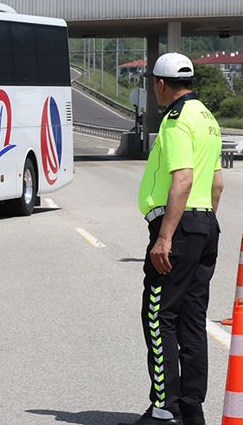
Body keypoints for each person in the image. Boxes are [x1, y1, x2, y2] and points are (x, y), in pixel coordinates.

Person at [122, 53, 223, 425]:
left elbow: (182, 179)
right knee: (192, 319)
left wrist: (165, 237)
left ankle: (165, 408)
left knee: (158, 315)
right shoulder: (207, 118)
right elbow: (216, 183)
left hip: (179, 227)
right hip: (204, 223)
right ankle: (191, 409)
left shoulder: (176, 120)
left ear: (160, 84)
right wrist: (203, 225)